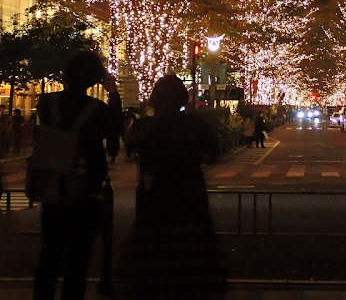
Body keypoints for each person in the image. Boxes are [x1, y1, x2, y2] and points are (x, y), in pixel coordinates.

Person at [122, 74, 226, 298]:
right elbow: (214, 152)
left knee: (154, 264)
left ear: (155, 99)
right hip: (190, 199)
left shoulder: (144, 128)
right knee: (192, 265)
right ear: (182, 99)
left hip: (155, 201)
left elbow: (129, 145)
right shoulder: (194, 126)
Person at [33, 50, 122, 300]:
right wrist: (112, 90)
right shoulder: (97, 110)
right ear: (96, 79)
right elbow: (114, 125)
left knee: (49, 255)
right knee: (77, 260)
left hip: (53, 187)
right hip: (86, 189)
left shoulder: (46, 103)